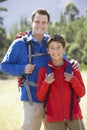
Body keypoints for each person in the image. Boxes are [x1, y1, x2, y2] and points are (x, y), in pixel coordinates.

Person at [0, 9, 80, 130]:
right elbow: (4, 66)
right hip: (32, 99)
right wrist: (22, 68)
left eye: (44, 22)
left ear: (48, 24)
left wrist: (73, 62)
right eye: (37, 21)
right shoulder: (19, 44)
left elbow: (63, 61)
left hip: (52, 99)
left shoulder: (52, 42)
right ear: (31, 22)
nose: (40, 25)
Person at [36, 34, 86, 130]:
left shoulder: (73, 68)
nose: (55, 51)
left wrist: (72, 80)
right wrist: (46, 83)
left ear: (64, 49)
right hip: (53, 119)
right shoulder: (43, 71)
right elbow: (40, 97)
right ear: (48, 50)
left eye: (59, 47)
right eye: (52, 48)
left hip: (74, 115)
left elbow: (82, 92)